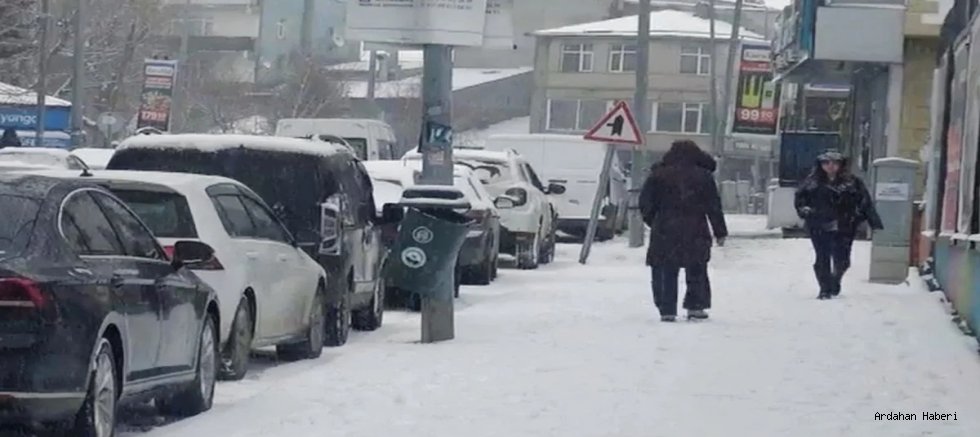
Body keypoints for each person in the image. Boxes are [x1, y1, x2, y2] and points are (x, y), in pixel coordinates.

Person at [640, 140, 728, 322]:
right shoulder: (703, 176)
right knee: (697, 268)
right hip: (695, 228)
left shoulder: (659, 174)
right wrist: (720, 231)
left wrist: (654, 221)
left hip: (665, 228)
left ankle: (667, 308)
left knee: (666, 269)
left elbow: (646, 203)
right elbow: (713, 206)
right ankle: (696, 306)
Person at [795, 149, 883, 300]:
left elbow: (865, 202)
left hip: (845, 224)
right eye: (826, 163)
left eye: (835, 163)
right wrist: (806, 211)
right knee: (822, 257)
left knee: (843, 259)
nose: (830, 166)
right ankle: (824, 289)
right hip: (819, 224)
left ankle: (835, 279)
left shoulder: (853, 182)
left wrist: (871, 221)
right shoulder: (812, 182)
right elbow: (800, 200)